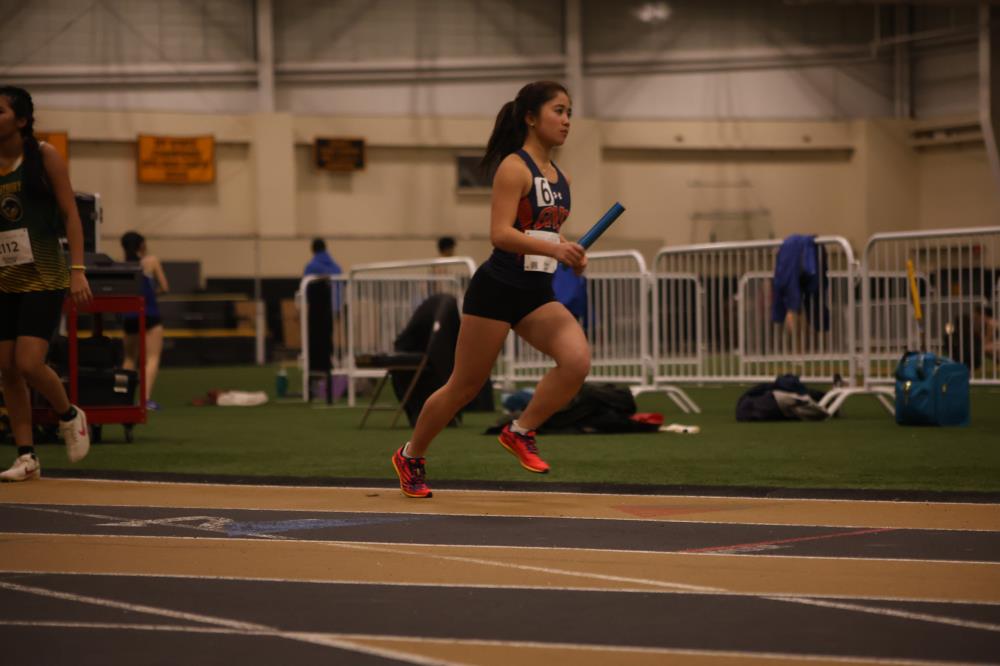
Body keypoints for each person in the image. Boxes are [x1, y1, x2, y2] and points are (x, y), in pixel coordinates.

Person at [391, 81, 589, 498]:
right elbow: (501, 234)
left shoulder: (563, 177)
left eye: (569, 112)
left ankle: (521, 430)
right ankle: (410, 455)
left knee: (576, 362)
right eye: (558, 111)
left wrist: (568, 250)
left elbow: (541, 229)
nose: (567, 120)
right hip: (497, 289)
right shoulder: (514, 168)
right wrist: (556, 248)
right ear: (530, 117)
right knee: (464, 386)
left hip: (536, 292)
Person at [0, 85, 92, 481]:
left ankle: (69, 415)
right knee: (6, 370)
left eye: (0, 112)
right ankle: (27, 457)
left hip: (44, 276)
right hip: (5, 279)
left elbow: (71, 215)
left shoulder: (44, 155)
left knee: (28, 363)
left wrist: (78, 269)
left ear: (21, 120)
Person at [120, 231, 168, 410]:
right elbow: (165, 287)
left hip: (130, 316)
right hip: (150, 315)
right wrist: (151, 295)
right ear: (142, 245)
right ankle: (145, 399)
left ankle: (122, 398)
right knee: (152, 358)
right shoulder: (151, 261)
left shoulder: (120, 265)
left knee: (129, 358)